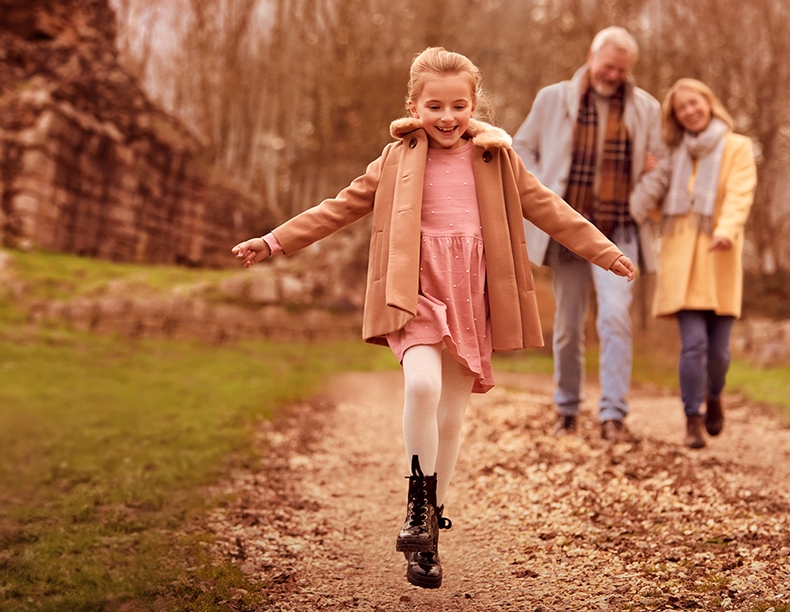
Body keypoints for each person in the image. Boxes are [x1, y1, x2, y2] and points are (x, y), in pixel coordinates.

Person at [231, 47, 636, 590]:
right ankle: (418, 506)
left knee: (451, 415)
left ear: (474, 106)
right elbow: (338, 206)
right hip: (415, 291)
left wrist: (605, 252)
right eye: (434, 106)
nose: (447, 117)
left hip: (473, 293)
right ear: (414, 106)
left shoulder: (497, 158)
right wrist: (274, 240)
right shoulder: (395, 159)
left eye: (458, 105)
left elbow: (550, 208)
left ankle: (429, 534)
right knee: (421, 386)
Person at [511, 26, 663, 442]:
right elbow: (521, 150)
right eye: (608, 66)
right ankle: (566, 409)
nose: (613, 75)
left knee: (615, 317)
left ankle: (613, 414)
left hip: (620, 230)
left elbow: (660, 165)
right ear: (592, 57)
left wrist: (638, 200)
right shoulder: (552, 98)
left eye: (622, 69)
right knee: (567, 324)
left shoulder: (646, 107)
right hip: (568, 230)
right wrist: (544, 198)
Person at [630, 78, 756, 449]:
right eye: (681, 107)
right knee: (694, 345)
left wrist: (727, 230)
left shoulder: (737, 147)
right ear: (676, 116)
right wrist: (650, 174)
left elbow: (739, 195)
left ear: (708, 102)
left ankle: (714, 395)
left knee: (718, 353)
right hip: (681, 259)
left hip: (720, 256)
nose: (689, 110)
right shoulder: (672, 153)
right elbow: (657, 207)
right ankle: (691, 419)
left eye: (694, 102)